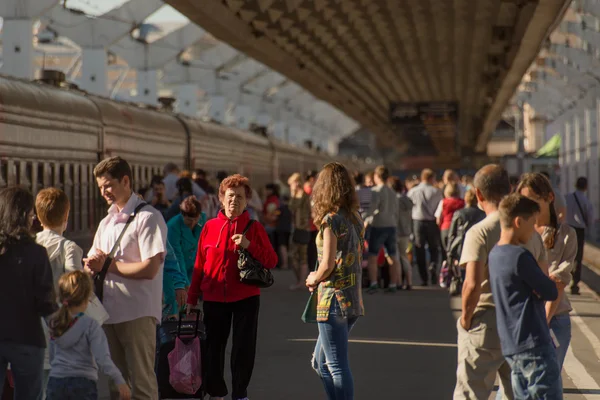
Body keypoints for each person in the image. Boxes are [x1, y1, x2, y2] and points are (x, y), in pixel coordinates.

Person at [453, 165, 548, 400]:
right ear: (511, 189)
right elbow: (543, 282)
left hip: (485, 323)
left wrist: (466, 319)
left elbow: (472, 285)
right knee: (515, 393)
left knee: (471, 392)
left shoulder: (480, 232)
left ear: (478, 194)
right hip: (520, 326)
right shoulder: (532, 233)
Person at [186, 174, 277, 400]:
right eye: (230, 195)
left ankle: (240, 393)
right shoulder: (209, 227)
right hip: (214, 297)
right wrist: (191, 297)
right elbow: (199, 264)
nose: (234, 200)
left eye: (239, 196)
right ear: (221, 198)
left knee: (243, 349)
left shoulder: (254, 228)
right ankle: (216, 391)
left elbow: (271, 260)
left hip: (245, 297)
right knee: (213, 348)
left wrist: (248, 244)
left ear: (247, 201)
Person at [84, 156, 167, 400]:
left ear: (126, 180)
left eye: (108, 185)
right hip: (108, 313)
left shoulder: (149, 218)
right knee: (117, 386)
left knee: (141, 384)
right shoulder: (106, 223)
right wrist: (91, 266)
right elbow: (95, 261)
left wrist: (107, 265)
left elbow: (150, 268)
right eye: (100, 187)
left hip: (137, 313)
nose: (104, 192)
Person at [488, 194, 560, 399]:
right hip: (533, 341)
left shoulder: (495, 254)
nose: (534, 229)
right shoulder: (520, 256)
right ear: (518, 222)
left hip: (511, 344)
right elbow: (550, 291)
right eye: (532, 223)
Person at [305, 162, 364, 400]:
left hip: (333, 298)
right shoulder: (355, 218)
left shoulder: (330, 220)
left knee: (336, 365)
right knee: (320, 363)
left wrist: (313, 277)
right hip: (352, 298)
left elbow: (327, 264)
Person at [517, 173, 577, 374]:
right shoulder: (518, 232)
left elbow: (558, 281)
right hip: (521, 318)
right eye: (524, 200)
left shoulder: (566, 234)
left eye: (533, 199)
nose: (528, 205)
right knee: (514, 386)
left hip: (553, 319)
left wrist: (543, 322)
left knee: (545, 386)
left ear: (549, 197)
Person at [0, 187, 56, 400]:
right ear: (24, 215)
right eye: (31, 214)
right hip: (27, 339)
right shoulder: (36, 253)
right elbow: (45, 302)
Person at [46, 271, 131, 400]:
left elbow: (52, 356)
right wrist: (119, 380)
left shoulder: (55, 322)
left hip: (56, 380)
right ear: (87, 297)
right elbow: (103, 358)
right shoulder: (90, 325)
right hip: (83, 382)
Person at [35, 188, 84, 389]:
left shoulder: (30, 244)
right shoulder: (69, 248)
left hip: (32, 327)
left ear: (38, 217)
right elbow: (75, 288)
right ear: (66, 215)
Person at [364, 166, 400, 293]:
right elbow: (396, 210)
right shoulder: (393, 192)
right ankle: (393, 284)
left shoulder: (376, 191)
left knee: (372, 256)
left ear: (377, 176)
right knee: (392, 255)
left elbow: (372, 208)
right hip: (392, 225)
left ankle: (374, 283)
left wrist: (365, 219)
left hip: (378, 225)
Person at [407, 168, 443, 285]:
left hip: (417, 221)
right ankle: (433, 265)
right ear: (431, 178)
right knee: (434, 248)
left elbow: (407, 207)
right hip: (432, 222)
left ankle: (424, 278)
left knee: (419, 249)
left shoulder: (413, 191)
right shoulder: (436, 191)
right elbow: (440, 207)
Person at [167, 196, 206, 285]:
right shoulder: (173, 227)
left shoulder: (202, 219)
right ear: (182, 215)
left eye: (195, 220)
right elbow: (177, 256)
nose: (192, 223)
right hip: (174, 268)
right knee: (174, 296)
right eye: (189, 220)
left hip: (193, 266)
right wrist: (184, 282)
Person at [565, 176, 594, 295]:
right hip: (579, 231)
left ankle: (564, 278)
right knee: (578, 257)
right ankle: (574, 284)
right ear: (586, 187)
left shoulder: (567, 197)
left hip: (567, 228)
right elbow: (590, 218)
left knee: (567, 255)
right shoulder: (586, 201)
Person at [288, 173, 312, 290]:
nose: (293, 185)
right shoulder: (294, 195)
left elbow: (306, 210)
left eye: (295, 182)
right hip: (295, 228)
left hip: (303, 228)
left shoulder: (302, 195)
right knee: (293, 256)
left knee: (302, 256)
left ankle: (301, 281)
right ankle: (300, 280)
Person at [390, 177, 413, 289]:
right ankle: (409, 282)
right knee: (404, 256)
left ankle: (399, 282)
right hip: (406, 231)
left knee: (396, 257)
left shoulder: (394, 200)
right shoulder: (407, 200)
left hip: (395, 230)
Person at [438, 183, 465, 252]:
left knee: (446, 251)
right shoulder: (462, 202)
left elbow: (438, 218)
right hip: (458, 228)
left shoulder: (443, 202)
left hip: (446, 227)